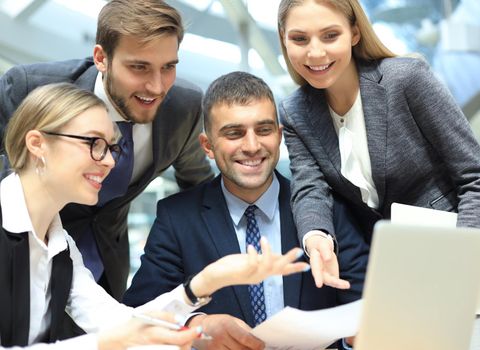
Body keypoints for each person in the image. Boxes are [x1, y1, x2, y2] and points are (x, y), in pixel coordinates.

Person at [0, 82, 308, 349]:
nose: (108, 161)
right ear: (37, 144)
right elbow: (114, 336)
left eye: (111, 148)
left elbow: (117, 321)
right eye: (94, 143)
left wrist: (204, 283)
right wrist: (103, 345)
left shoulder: (59, 243)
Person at [276, 0, 480, 349]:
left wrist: (462, 263)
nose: (315, 52)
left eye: (330, 35)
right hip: (392, 279)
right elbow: (309, 188)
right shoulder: (295, 111)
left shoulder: (405, 79)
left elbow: (476, 178)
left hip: (455, 265)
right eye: (300, 39)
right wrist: (316, 238)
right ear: (284, 40)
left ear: (353, 32)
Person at [123, 71, 369, 350]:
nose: (252, 146)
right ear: (208, 146)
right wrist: (195, 326)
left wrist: (354, 340)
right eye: (234, 133)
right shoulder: (177, 219)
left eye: (263, 130)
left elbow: (364, 307)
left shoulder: (328, 211)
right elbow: (138, 314)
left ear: (279, 136)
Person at [0, 0, 214, 301]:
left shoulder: (183, 108)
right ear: (101, 57)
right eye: (139, 67)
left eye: (168, 67)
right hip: (19, 256)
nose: (156, 86)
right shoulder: (28, 89)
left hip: (105, 269)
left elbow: (197, 190)